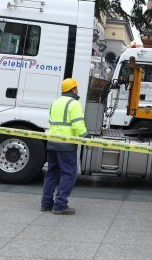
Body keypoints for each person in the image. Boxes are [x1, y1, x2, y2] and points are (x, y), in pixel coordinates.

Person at [41, 78, 88, 215]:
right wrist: (86, 136)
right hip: (66, 145)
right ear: (73, 89)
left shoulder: (55, 103)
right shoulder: (74, 103)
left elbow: (51, 122)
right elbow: (77, 124)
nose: (77, 90)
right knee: (68, 173)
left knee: (51, 173)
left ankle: (46, 204)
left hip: (52, 143)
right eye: (76, 88)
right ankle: (60, 205)